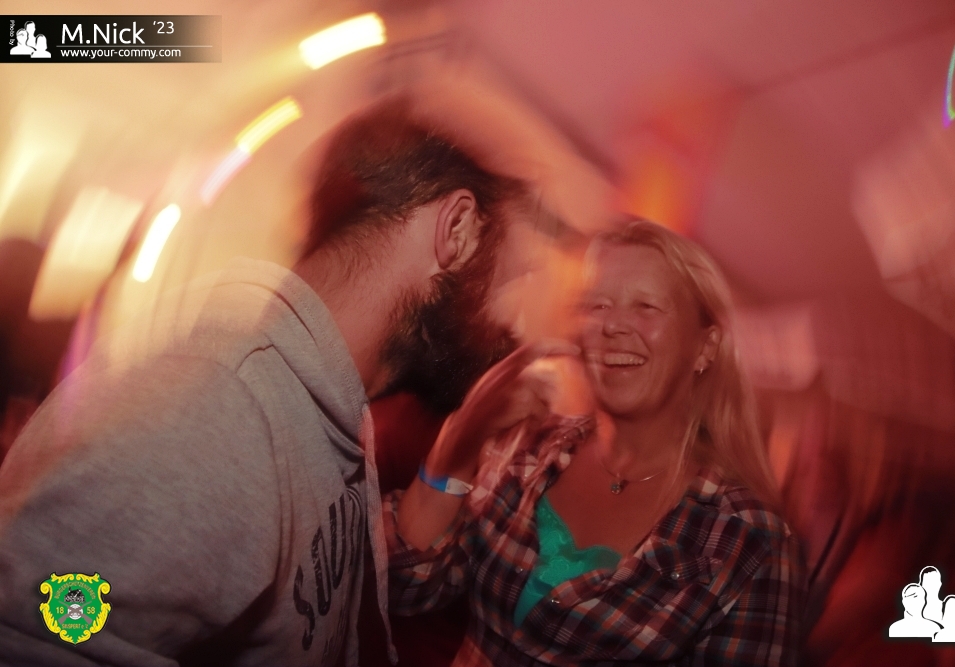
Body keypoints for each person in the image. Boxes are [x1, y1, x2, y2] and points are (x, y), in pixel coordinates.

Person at [0, 94, 538, 666]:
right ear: (457, 229)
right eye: (503, 282)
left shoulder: (319, 397)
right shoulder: (210, 411)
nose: (511, 325)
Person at [385, 220, 806, 665]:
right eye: (598, 305)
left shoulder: (748, 541)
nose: (613, 325)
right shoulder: (530, 448)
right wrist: (459, 440)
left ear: (704, 347)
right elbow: (405, 588)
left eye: (646, 306)